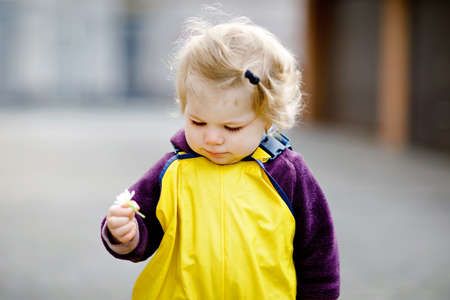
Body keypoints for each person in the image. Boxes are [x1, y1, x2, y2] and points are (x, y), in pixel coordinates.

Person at [101, 16, 340, 300]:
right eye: (198, 122)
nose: (212, 138)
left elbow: (318, 252)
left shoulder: (287, 174)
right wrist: (123, 234)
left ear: (268, 118)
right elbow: (141, 235)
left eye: (231, 127)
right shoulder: (172, 172)